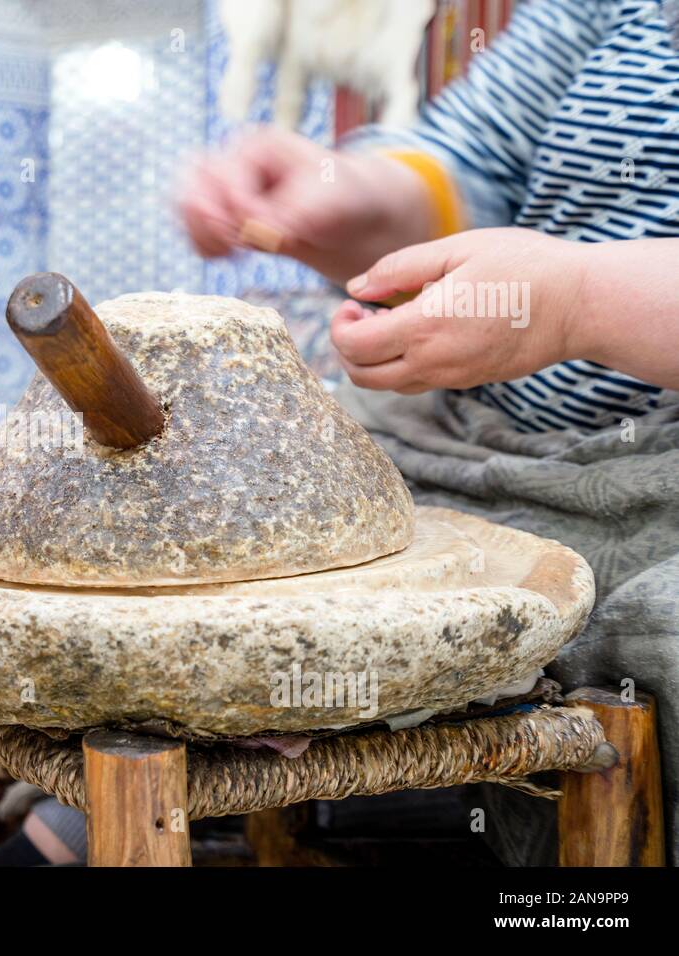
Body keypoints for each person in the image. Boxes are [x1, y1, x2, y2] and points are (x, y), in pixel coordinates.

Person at [177, 0, 679, 865]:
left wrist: (583, 301)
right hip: (477, 437)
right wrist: (346, 198)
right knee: (225, 524)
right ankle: (97, 821)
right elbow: (470, 166)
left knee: (652, 633)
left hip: (657, 495)